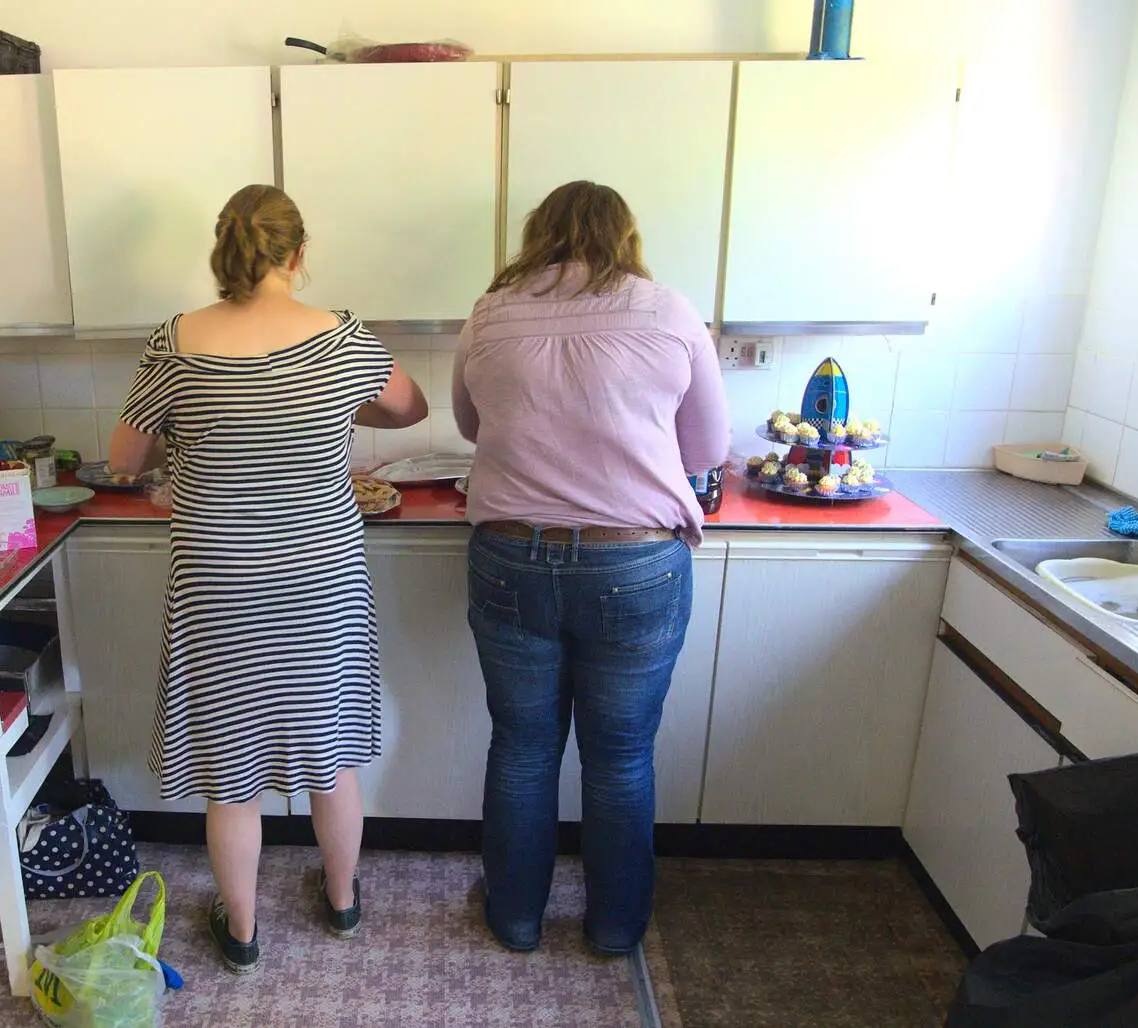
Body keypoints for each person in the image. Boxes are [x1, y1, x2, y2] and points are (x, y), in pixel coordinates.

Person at [108, 183, 428, 974]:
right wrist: (336, 410)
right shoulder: (340, 338)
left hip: (219, 581)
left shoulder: (176, 341)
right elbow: (408, 407)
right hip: (319, 580)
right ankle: (344, 902)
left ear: (225, 249)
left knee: (232, 770)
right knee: (332, 757)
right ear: (298, 254)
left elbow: (122, 460)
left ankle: (243, 932)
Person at [451, 180, 730, 955]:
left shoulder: (490, 311)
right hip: (634, 560)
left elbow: (471, 424)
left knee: (522, 745)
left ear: (538, 235)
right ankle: (613, 929)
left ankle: (514, 917)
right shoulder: (669, 311)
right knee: (621, 754)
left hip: (510, 552)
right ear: (625, 236)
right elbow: (707, 450)